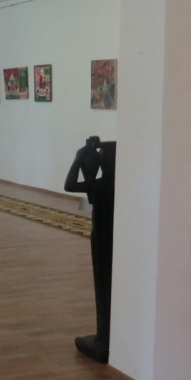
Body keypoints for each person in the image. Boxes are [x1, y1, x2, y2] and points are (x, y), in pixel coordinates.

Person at [63, 136, 116, 364]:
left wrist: (79, 159)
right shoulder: (122, 183)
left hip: (102, 237)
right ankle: (109, 334)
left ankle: (103, 338)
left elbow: (69, 185)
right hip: (119, 238)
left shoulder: (100, 184)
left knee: (103, 284)